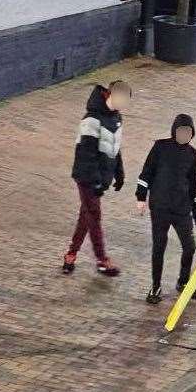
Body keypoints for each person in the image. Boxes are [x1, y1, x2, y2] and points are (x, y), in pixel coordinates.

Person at [62, 80, 132, 277]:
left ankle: (71, 254)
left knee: (86, 216)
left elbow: (115, 148)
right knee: (94, 216)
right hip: (87, 178)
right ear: (110, 94)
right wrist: (96, 181)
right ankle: (102, 260)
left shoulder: (117, 118)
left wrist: (119, 173)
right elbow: (87, 153)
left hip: (101, 177)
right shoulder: (91, 119)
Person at [136, 114, 196, 304]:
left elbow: (194, 183)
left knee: (189, 247)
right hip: (160, 208)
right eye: (182, 131)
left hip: (182, 209)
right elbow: (146, 172)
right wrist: (141, 197)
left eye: (188, 132)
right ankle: (155, 286)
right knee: (159, 247)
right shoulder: (160, 147)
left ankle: (183, 282)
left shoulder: (192, 154)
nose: (185, 134)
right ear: (174, 131)